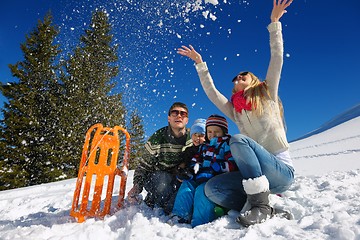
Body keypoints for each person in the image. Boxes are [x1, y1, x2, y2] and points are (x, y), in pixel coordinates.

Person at [177, 0, 295, 227]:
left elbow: (276, 59)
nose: (237, 78)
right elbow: (212, 93)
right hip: (255, 177)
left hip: (280, 172)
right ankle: (265, 207)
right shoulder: (236, 110)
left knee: (239, 140)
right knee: (213, 188)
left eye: (243, 75)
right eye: (235, 78)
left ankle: (260, 205)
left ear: (254, 80)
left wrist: (274, 24)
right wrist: (200, 64)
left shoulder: (267, 94)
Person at [169, 114, 238, 227]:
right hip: (202, 176)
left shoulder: (226, 145)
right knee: (187, 185)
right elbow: (196, 160)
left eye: (216, 132)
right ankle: (179, 215)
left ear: (224, 132)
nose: (213, 135)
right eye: (209, 132)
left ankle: (200, 221)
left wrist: (219, 167)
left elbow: (233, 164)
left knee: (202, 190)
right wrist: (190, 171)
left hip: (217, 181)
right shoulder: (204, 146)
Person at [127, 102, 192, 214]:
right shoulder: (157, 138)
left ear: (187, 120)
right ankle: (156, 203)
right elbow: (143, 166)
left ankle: (171, 204)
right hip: (158, 178)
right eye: (175, 113)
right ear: (169, 118)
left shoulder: (192, 138)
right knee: (163, 182)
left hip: (180, 178)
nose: (179, 116)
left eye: (183, 114)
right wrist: (137, 186)